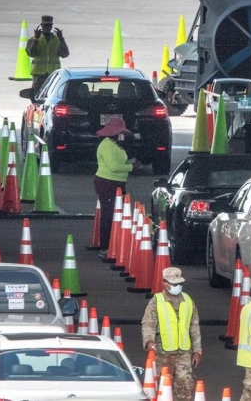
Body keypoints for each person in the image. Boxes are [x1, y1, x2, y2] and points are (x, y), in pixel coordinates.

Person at [142, 267, 202, 401]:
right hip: (163, 354)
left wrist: (197, 350)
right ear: (165, 283)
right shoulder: (156, 302)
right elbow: (148, 324)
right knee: (163, 389)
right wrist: (149, 341)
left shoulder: (188, 301)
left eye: (180, 284)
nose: (178, 287)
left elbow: (194, 326)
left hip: (184, 353)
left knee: (184, 387)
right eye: (175, 284)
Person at [90, 117, 139, 252]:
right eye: (121, 132)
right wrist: (131, 167)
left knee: (113, 213)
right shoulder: (107, 145)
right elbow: (113, 166)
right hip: (107, 183)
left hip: (115, 183)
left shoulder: (113, 144)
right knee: (109, 214)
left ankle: (111, 243)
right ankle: (105, 246)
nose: (123, 134)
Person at [25, 15, 69, 94]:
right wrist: (36, 39)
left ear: (52, 26)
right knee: (36, 95)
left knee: (52, 94)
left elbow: (65, 54)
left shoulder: (57, 39)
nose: (47, 27)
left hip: (53, 73)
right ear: (41, 25)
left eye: (49, 25)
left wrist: (61, 39)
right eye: (45, 25)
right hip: (39, 74)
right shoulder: (33, 39)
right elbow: (31, 53)